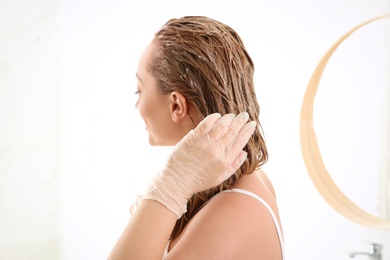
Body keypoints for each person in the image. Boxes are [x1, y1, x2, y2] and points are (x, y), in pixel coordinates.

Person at [108, 16, 284, 259]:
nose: (137, 104)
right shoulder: (222, 183)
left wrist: (170, 186)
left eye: (139, 90)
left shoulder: (234, 210)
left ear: (177, 106)